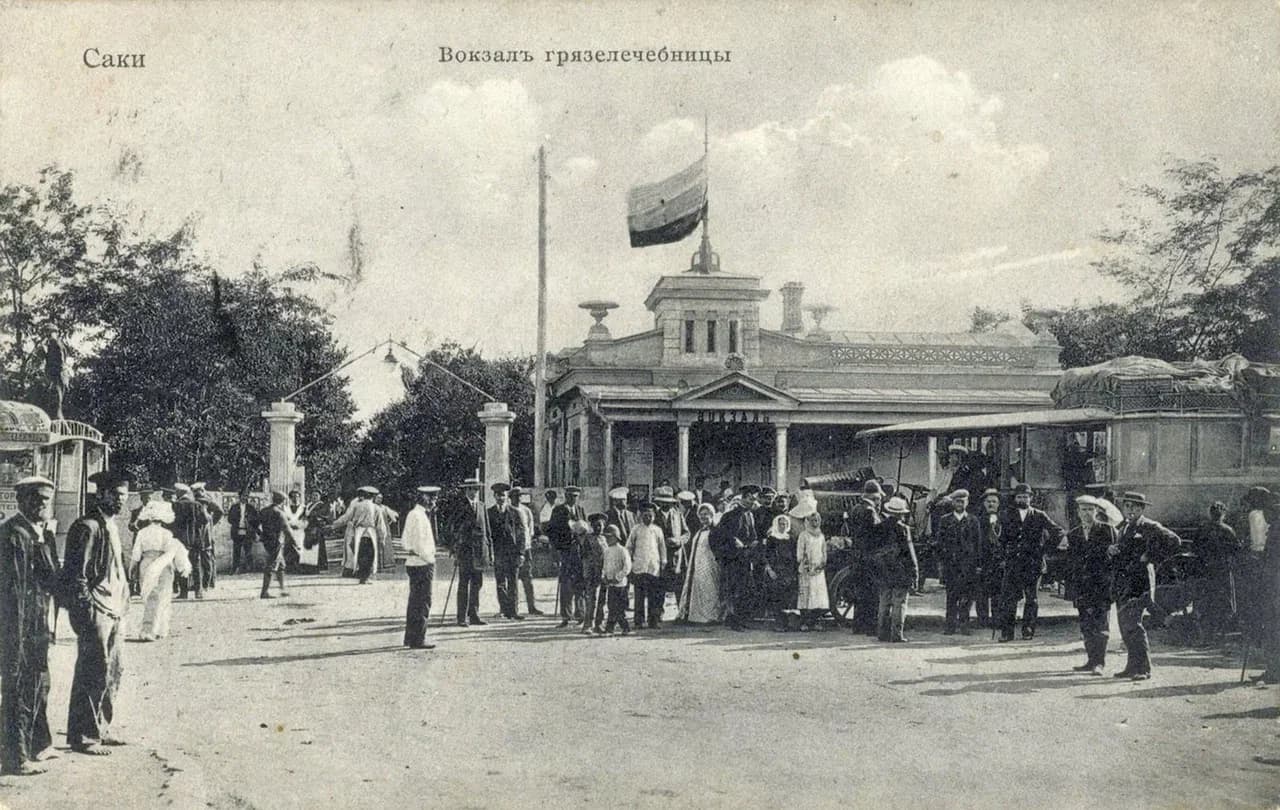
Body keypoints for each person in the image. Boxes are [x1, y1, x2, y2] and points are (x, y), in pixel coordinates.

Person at [61, 469, 133, 756]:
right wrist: (85, 610)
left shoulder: (112, 525)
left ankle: (102, 728)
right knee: (93, 669)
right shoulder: (87, 527)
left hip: (116, 608)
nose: (120, 502)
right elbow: (76, 575)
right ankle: (84, 736)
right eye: (115, 495)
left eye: (123, 496)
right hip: (97, 609)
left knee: (113, 670)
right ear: (100, 494)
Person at [0, 476, 61, 775]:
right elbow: (13, 591)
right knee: (18, 689)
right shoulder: (14, 534)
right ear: (22, 500)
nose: (42, 505)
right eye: (36, 499)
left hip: (39, 624)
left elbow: (51, 580)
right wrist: (15, 637)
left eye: (46, 500)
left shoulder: (40, 533)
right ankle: (15, 757)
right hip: (18, 626)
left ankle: (38, 745)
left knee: (39, 684)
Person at [1109, 492, 1181, 680]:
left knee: (1134, 624)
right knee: (1125, 626)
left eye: (1134, 506)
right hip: (1122, 581)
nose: (1130, 510)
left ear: (1141, 509)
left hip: (1139, 582)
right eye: (1127, 506)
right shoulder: (1124, 527)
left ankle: (1144, 669)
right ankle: (1132, 667)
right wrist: (1112, 550)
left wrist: (1150, 557)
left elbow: (1174, 541)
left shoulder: (1150, 526)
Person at [997, 483, 1065, 642]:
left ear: (1031, 498)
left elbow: (1058, 531)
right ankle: (1007, 633)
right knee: (1009, 599)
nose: (1022, 499)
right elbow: (1001, 540)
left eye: (1025, 497)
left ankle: (1028, 630)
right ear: (1015, 498)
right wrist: (1003, 556)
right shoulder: (1006, 515)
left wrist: (1045, 549)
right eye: (1019, 497)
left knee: (1031, 599)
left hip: (1033, 564)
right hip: (1013, 563)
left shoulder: (1039, 515)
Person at [1066, 496, 1115, 675]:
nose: (1087, 513)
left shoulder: (1107, 530)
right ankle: (1090, 660)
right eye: (1083, 510)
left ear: (1097, 511)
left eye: (1090, 509)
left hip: (1101, 586)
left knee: (1101, 625)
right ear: (1078, 513)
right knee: (1086, 625)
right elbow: (1071, 563)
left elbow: (1113, 561)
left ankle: (1099, 663)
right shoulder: (1073, 534)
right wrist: (1072, 589)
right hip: (1083, 587)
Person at [129, 498, 191, 637]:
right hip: (163, 565)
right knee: (162, 597)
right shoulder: (167, 533)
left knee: (149, 596)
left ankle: (148, 630)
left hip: (146, 563)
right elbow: (171, 551)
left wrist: (131, 570)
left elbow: (136, 554)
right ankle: (160, 629)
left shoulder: (142, 533)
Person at [709, 484, 761, 631]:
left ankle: (742, 619)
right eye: (750, 499)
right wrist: (732, 541)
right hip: (732, 559)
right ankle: (733, 620)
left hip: (745, 558)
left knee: (745, 589)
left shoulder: (750, 515)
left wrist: (754, 542)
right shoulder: (729, 515)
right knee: (733, 590)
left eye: (754, 499)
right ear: (743, 498)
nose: (752, 502)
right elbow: (717, 535)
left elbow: (752, 535)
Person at [873, 496, 919, 643]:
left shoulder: (879, 527)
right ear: (901, 513)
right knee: (900, 602)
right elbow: (909, 552)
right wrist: (915, 571)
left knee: (884, 601)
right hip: (900, 570)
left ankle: (882, 633)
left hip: (883, 569)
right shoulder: (904, 529)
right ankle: (896, 635)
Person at [1194, 501, 1241, 644]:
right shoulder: (1228, 530)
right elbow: (1236, 550)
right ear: (1223, 514)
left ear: (1210, 513)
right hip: (1222, 571)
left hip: (1206, 570)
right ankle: (1220, 635)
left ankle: (1206, 636)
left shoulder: (1202, 529)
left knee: (1205, 602)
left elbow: (1195, 548)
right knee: (1222, 603)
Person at [937, 490, 981, 635]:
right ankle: (950, 625)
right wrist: (942, 563)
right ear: (952, 502)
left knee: (967, 596)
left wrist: (977, 564)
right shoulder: (945, 520)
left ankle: (964, 625)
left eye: (963, 501)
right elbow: (940, 543)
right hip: (951, 564)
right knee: (951, 596)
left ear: (967, 502)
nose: (960, 504)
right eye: (957, 501)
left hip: (968, 565)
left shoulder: (973, 520)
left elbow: (977, 544)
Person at [402, 486, 439, 650]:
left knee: (414, 602)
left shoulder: (415, 514)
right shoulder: (418, 516)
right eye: (433, 499)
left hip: (414, 562)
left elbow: (405, 541)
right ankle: (419, 639)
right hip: (422, 563)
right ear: (426, 498)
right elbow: (419, 543)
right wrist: (429, 559)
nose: (434, 502)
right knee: (423, 602)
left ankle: (410, 637)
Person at [847, 480, 885, 635]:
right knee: (872, 593)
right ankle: (870, 627)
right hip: (870, 557)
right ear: (875, 497)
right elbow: (876, 533)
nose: (879, 503)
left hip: (857, 556)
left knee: (861, 593)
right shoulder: (870, 511)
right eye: (879, 499)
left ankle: (858, 626)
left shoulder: (855, 508)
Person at [547, 485, 587, 627]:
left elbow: (586, 531)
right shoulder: (558, 511)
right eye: (570, 496)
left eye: (575, 496)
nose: (573, 499)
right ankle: (566, 616)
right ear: (565, 496)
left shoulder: (581, 510)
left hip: (578, 552)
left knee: (580, 583)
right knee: (565, 584)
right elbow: (551, 533)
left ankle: (581, 614)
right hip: (565, 552)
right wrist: (556, 553)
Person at [678, 504, 723, 624]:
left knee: (710, 589)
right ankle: (695, 615)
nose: (703, 517)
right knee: (698, 588)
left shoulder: (716, 531)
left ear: (712, 515)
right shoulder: (699, 531)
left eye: (706, 514)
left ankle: (711, 615)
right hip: (697, 565)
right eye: (701, 515)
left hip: (710, 564)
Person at [454, 479, 490, 626]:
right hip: (466, 551)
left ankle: (474, 615)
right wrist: (456, 549)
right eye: (471, 489)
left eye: (476, 489)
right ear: (466, 490)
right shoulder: (459, 506)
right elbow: (454, 529)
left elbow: (488, 531)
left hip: (480, 551)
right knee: (463, 585)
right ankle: (461, 618)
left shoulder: (482, 506)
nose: (473, 492)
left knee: (477, 584)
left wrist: (490, 551)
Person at [627, 501, 667, 630]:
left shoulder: (657, 530)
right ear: (640, 516)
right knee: (639, 596)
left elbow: (662, 547)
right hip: (639, 567)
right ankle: (638, 621)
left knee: (653, 596)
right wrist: (630, 563)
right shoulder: (636, 529)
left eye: (650, 515)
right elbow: (629, 547)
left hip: (653, 567)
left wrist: (663, 562)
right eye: (645, 515)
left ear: (654, 516)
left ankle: (653, 621)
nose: (647, 518)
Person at [487, 483, 524, 621]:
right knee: (500, 582)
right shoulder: (489, 513)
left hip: (513, 553)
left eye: (503, 495)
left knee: (513, 582)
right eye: (498, 495)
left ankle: (514, 611)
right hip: (499, 553)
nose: (501, 498)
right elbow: (488, 535)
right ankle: (504, 610)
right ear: (494, 496)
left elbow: (521, 534)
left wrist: (521, 553)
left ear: (506, 496)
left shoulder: (515, 512)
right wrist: (490, 553)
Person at [171, 483, 213, 600]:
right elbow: (205, 520)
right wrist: (196, 529)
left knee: (181, 565)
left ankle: (183, 592)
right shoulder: (197, 505)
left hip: (180, 541)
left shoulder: (176, 506)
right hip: (195, 540)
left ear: (179, 493)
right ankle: (198, 592)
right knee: (196, 565)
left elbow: (171, 523)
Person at [255, 491, 299, 599]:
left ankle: (283, 590)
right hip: (276, 541)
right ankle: (264, 592)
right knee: (271, 565)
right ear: (283, 501)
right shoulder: (279, 512)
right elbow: (287, 530)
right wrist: (296, 543)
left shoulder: (264, 511)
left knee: (281, 565)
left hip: (267, 540)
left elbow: (253, 523)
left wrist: (261, 534)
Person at [332, 486, 381, 584]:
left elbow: (346, 518)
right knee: (370, 554)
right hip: (370, 533)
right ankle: (365, 576)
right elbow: (380, 524)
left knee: (360, 553)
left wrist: (334, 525)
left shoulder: (356, 505)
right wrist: (382, 536)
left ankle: (361, 575)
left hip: (358, 532)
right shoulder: (376, 507)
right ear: (372, 496)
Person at [792, 503, 828, 631]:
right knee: (806, 595)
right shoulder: (804, 535)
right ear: (808, 521)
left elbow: (824, 551)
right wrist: (804, 563)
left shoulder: (821, 535)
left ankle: (815, 621)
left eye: (817, 520)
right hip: (807, 569)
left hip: (818, 569)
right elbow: (800, 552)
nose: (815, 522)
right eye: (813, 520)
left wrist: (822, 563)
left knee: (818, 596)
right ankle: (804, 623)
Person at [761, 513, 799, 632]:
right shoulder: (772, 538)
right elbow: (766, 555)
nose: (783, 526)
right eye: (781, 524)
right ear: (776, 525)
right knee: (777, 598)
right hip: (776, 571)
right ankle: (779, 624)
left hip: (788, 572)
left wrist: (793, 572)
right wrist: (770, 570)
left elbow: (794, 556)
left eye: (785, 524)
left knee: (788, 598)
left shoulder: (790, 539)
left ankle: (788, 624)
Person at [653, 487, 689, 610]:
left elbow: (686, 533)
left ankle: (681, 612)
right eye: (662, 502)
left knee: (679, 585)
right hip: (660, 556)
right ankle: (658, 614)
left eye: (668, 502)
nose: (665, 504)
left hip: (677, 557)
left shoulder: (678, 514)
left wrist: (679, 540)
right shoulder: (654, 516)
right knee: (659, 587)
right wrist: (663, 542)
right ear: (659, 502)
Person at [510, 487, 543, 616]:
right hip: (512, 550)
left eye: (519, 496)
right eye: (515, 496)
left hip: (526, 548)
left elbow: (530, 530)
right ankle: (512, 609)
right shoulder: (508, 510)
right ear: (510, 497)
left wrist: (526, 545)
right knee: (512, 580)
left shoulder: (526, 511)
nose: (518, 498)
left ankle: (532, 607)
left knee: (527, 578)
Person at [975, 489, 1004, 628]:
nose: (991, 504)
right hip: (983, 561)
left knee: (998, 592)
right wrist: (977, 562)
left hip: (998, 562)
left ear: (998, 504)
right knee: (981, 593)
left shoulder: (1004, 519)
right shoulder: (977, 520)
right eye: (988, 502)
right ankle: (982, 620)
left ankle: (997, 620)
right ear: (983, 504)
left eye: (994, 502)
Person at [578, 513, 608, 634]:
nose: (598, 528)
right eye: (596, 526)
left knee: (602, 600)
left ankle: (599, 624)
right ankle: (587, 624)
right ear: (591, 526)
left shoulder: (605, 539)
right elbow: (584, 557)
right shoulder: (587, 539)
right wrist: (589, 573)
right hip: (591, 573)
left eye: (600, 525)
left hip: (604, 573)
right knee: (591, 600)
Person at [190, 483, 223, 590]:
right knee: (205, 560)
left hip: (205, 534)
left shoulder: (206, 501)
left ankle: (207, 583)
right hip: (203, 534)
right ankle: (204, 584)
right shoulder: (203, 501)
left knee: (206, 560)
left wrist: (211, 523)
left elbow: (219, 511)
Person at [601, 526, 632, 635]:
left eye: (610, 537)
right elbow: (605, 566)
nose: (607, 540)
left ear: (616, 537)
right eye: (606, 537)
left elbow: (627, 567)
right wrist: (604, 576)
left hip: (621, 585)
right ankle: (610, 629)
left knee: (620, 608)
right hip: (611, 584)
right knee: (611, 607)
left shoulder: (622, 550)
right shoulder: (607, 551)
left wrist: (618, 577)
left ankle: (625, 627)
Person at [228, 489, 259, 575]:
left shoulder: (251, 508)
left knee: (248, 551)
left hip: (248, 532)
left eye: (246, 496)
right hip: (237, 532)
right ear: (239, 496)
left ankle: (250, 568)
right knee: (236, 551)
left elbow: (256, 520)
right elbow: (229, 519)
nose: (245, 498)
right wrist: (237, 521)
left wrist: (249, 521)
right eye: (243, 496)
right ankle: (235, 568)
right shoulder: (234, 507)